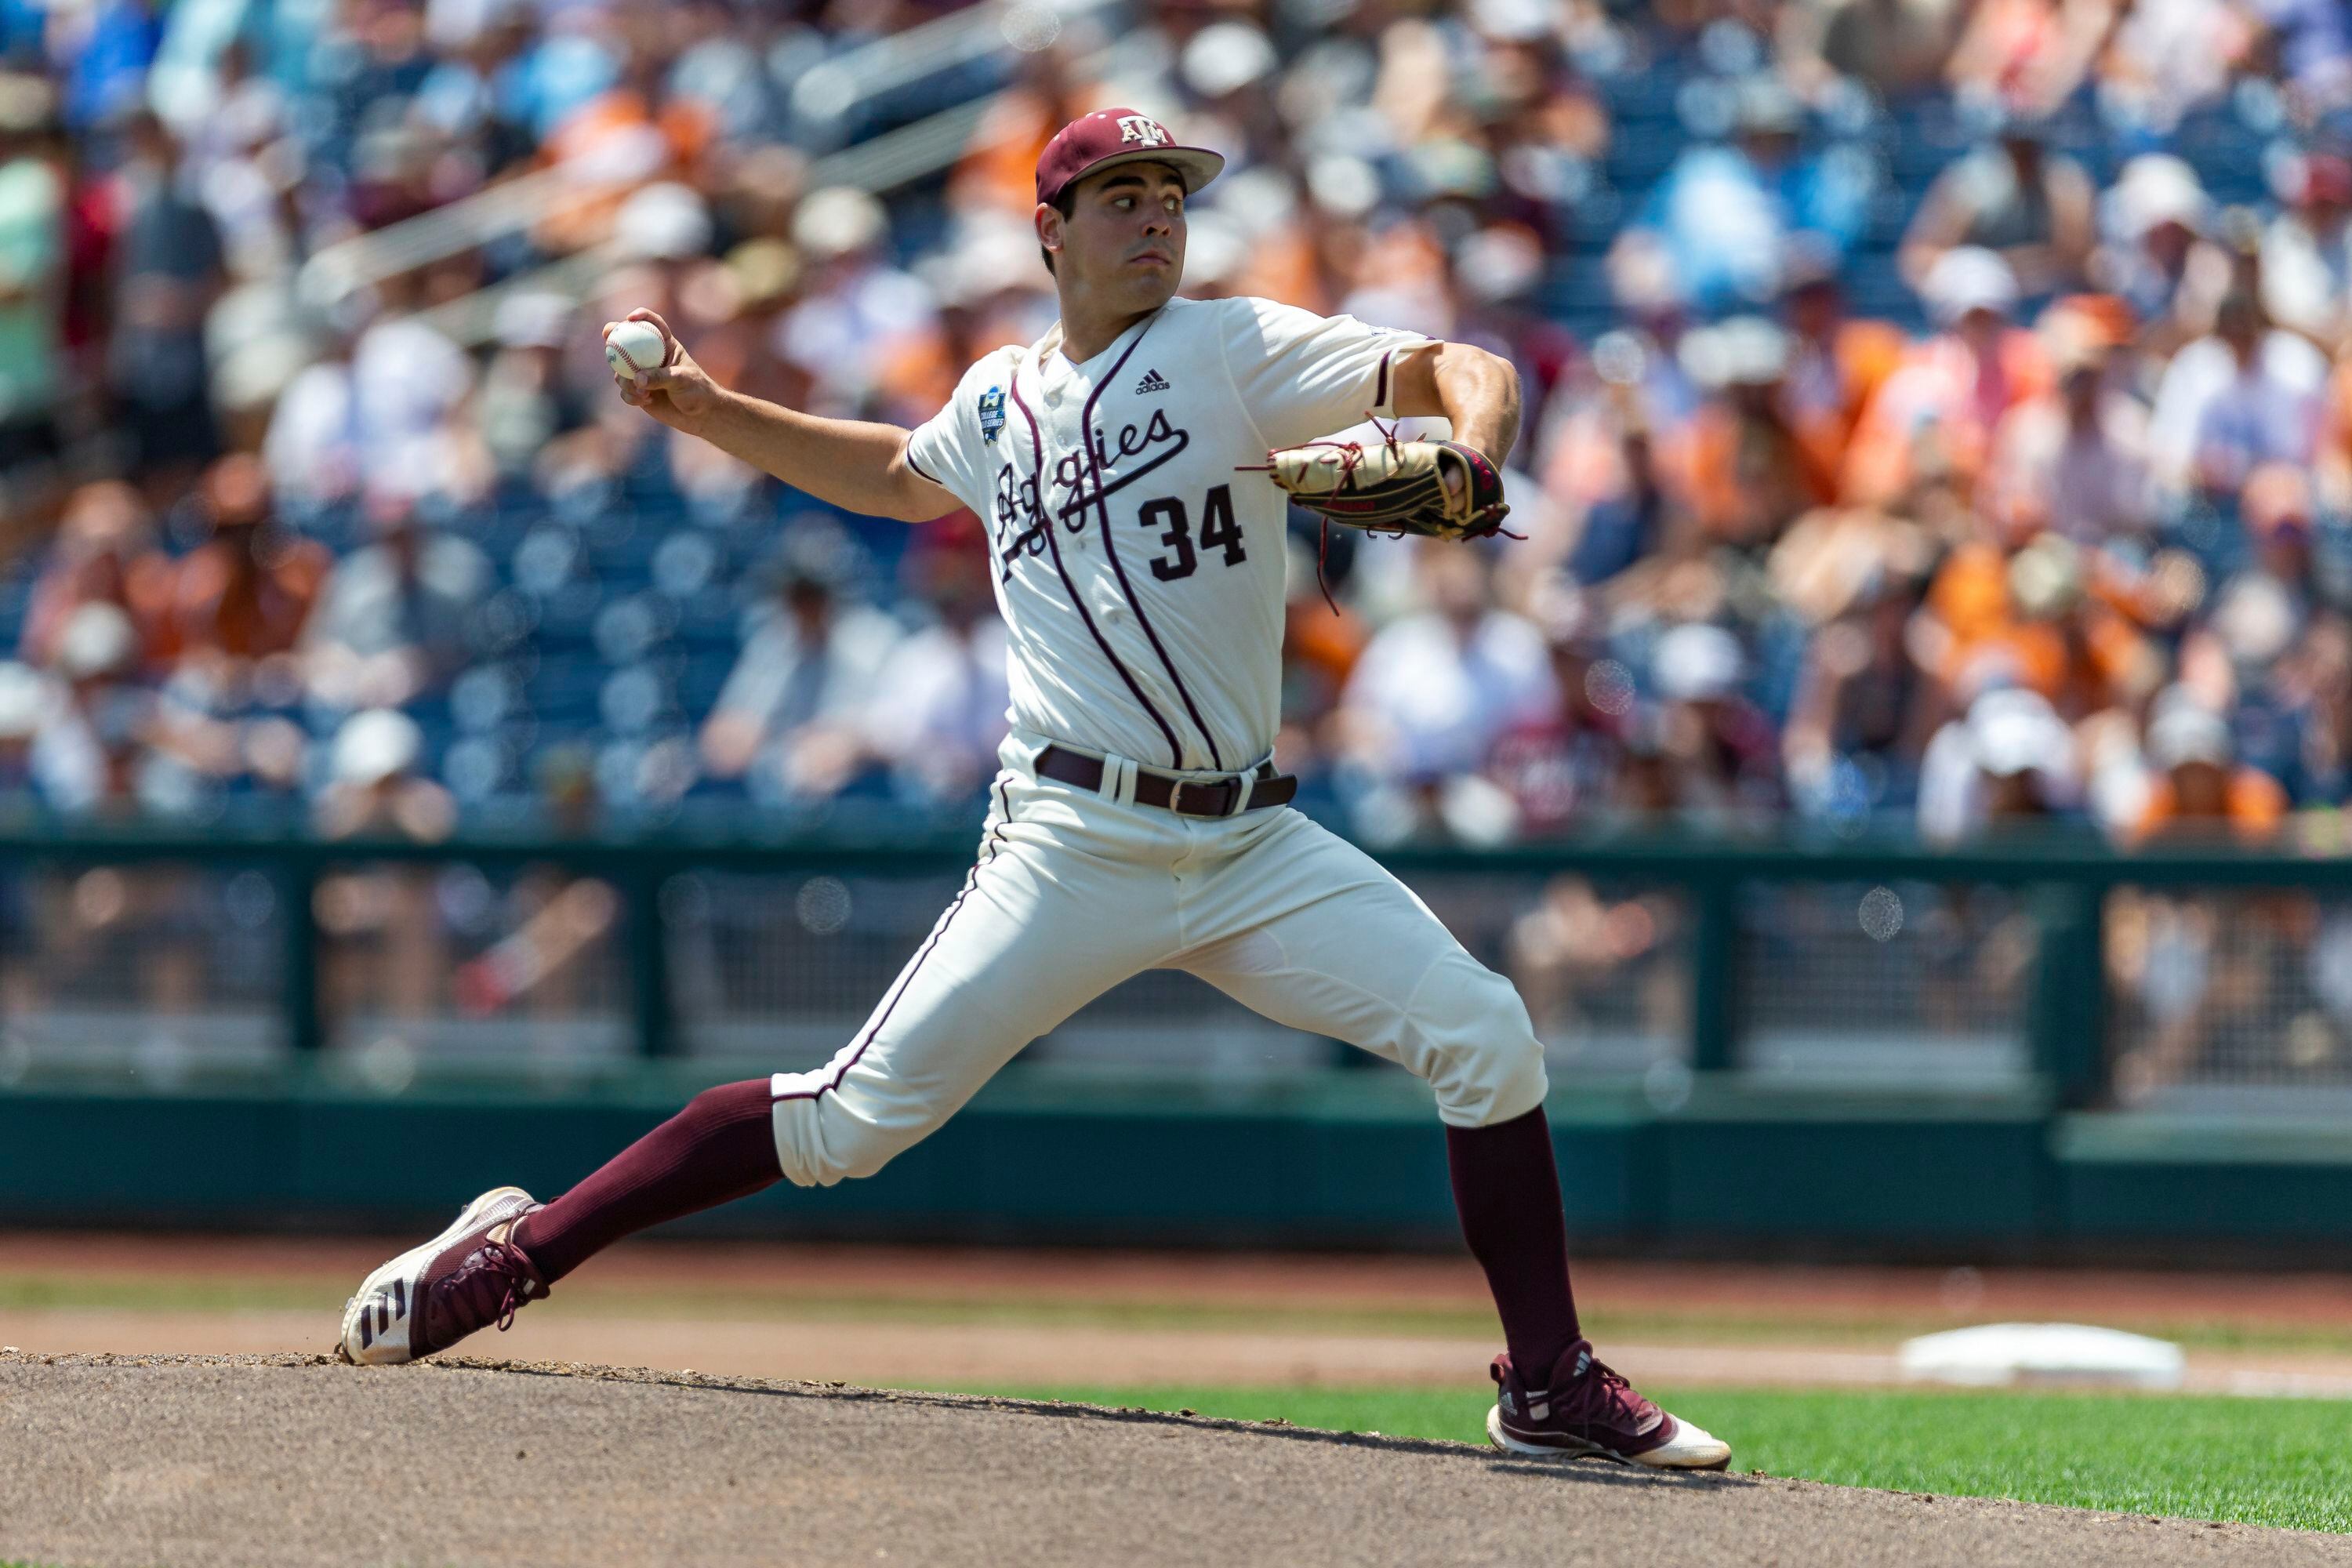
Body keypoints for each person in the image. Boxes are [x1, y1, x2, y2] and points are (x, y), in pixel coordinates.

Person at [336, 107, 1732, 1472]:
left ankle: (1546, 1383)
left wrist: (1477, 450)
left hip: (1250, 843)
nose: (1158, 218)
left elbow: (1457, 363)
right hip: (1073, 837)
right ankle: (515, 1251)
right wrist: (704, 410)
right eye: (1124, 197)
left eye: (1172, 196)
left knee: (1485, 1034)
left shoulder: (1227, 346)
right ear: (1049, 228)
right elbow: (895, 472)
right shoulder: (999, 397)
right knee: (843, 1124)